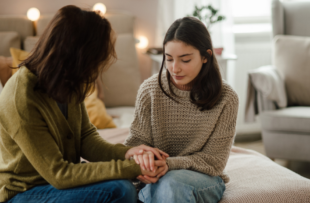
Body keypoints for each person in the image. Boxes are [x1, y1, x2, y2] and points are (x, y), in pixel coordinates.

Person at [0, 5, 168, 203]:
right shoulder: (21, 97)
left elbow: (86, 139)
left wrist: (129, 153)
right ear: (78, 55)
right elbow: (60, 174)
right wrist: (132, 168)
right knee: (120, 190)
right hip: (25, 192)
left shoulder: (68, 81)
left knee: (127, 187)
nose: (97, 68)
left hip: (58, 185)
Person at [125, 17, 239, 203]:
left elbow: (215, 161)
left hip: (203, 178)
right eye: (168, 59)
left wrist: (169, 164)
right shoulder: (150, 90)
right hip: (157, 176)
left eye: (185, 60)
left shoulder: (226, 97)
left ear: (205, 56)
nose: (174, 68)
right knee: (157, 186)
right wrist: (144, 160)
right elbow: (135, 146)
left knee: (171, 184)